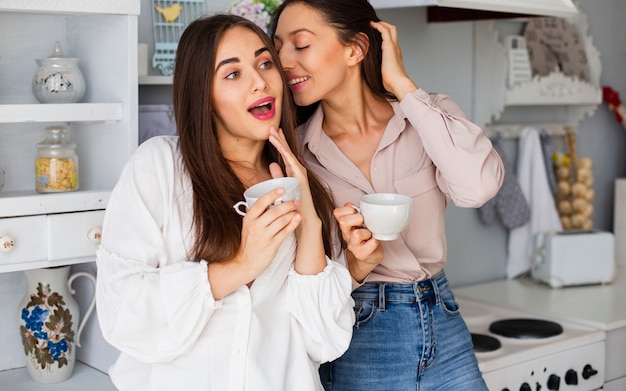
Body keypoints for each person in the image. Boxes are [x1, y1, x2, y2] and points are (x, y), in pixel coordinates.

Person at [95, 14, 355, 391]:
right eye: (232, 74)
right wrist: (241, 264)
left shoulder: (303, 184)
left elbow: (323, 341)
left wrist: (311, 221)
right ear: (204, 95)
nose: (260, 82)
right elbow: (123, 311)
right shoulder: (161, 166)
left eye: (265, 63)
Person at [271, 1, 504, 390]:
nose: (283, 60)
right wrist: (353, 262)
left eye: (300, 44)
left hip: (443, 321)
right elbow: (298, 281)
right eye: (277, 48)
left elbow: (478, 187)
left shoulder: (429, 118)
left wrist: (401, 84)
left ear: (355, 49)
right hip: (358, 334)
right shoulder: (295, 156)